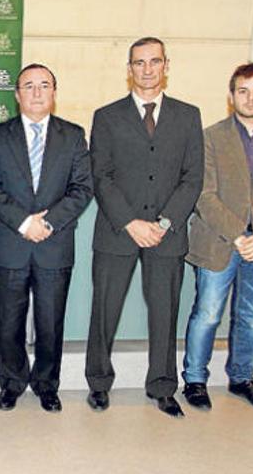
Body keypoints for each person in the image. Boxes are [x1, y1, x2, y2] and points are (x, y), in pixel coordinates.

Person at [85, 37, 204, 417]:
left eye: (154, 62)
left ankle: (163, 386)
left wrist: (164, 223)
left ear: (166, 65)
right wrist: (131, 222)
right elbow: (101, 176)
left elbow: (193, 178)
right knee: (104, 311)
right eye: (139, 63)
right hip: (117, 232)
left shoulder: (188, 116)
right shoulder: (106, 116)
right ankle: (99, 383)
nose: (147, 69)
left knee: (164, 313)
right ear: (129, 69)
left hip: (166, 236)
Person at [0, 64, 93, 412]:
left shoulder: (74, 136)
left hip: (54, 242)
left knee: (51, 321)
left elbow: (82, 188)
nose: (36, 92)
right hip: (12, 241)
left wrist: (49, 223)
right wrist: (22, 222)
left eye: (44, 85)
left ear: (54, 93)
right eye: (28, 86)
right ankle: (12, 383)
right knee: (10, 320)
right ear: (16, 94)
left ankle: (47, 384)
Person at [183, 63, 253, 411]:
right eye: (243, 91)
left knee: (249, 317)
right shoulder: (209, 137)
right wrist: (238, 236)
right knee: (208, 314)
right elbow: (203, 194)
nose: (250, 97)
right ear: (231, 96)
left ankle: (242, 378)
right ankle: (195, 380)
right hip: (219, 242)